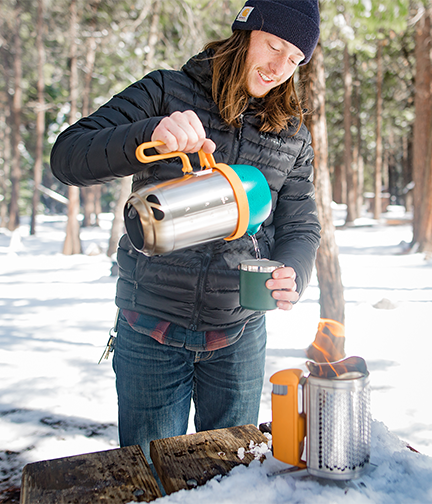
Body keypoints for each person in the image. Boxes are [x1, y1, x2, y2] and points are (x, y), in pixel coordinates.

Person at [50, 0, 321, 460]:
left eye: (295, 58)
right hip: (151, 330)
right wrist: (149, 133)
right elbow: (68, 156)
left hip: (239, 333)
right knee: (151, 476)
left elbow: (299, 222)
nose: (279, 67)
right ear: (245, 33)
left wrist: (293, 269)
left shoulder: (291, 131)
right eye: (274, 45)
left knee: (233, 475)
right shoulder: (166, 91)